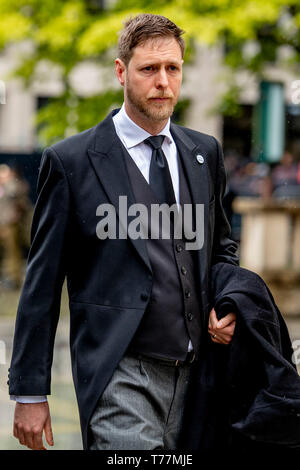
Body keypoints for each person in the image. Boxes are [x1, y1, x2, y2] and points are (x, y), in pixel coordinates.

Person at [9, 13, 239, 451]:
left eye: (172, 68)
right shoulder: (71, 161)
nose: (163, 82)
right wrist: (30, 391)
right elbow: (41, 282)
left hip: (198, 376)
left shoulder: (204, 153)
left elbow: (222, 248)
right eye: (148, 69)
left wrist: (228, 304)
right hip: (120, 374)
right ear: (121, 71)